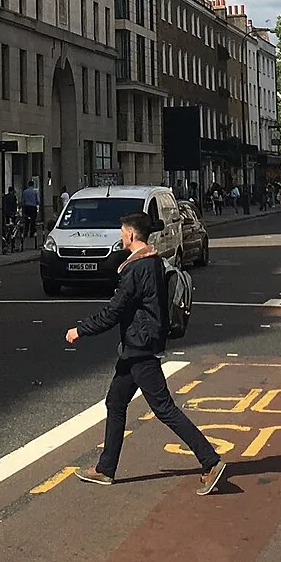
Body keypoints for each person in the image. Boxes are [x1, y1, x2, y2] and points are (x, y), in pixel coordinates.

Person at [64, 210, 228, 496]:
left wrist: (82, 330)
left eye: (122, 231)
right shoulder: (152, 261)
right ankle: (105, 468)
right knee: (115, 403)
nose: (120, 235)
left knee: (165, 409)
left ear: (130, 234)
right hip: (137, 346)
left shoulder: (136, 269)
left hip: (140, 347)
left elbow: (115, 310)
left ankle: (210, 462)